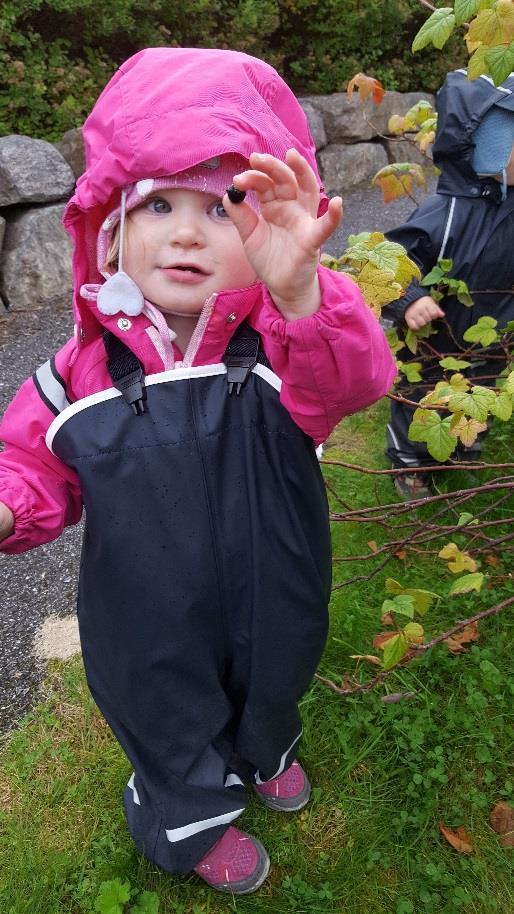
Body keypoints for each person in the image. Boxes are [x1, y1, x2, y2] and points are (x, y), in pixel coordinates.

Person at [0, 47, 395, 893]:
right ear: (110, 227)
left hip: (274, 579)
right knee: (164, 713)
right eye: (160, 206)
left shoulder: (287, 345)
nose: (185, 231)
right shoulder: (78, 372)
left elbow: (360, 382)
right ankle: (187, 818)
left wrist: (302, 296)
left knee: (277, 669)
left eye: (223, 208)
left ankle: (265, 749)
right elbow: (28, 463)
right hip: (143, 611)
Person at [382, 68, 514, 500]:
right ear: (489, 145)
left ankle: (462, 444)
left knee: (482, 390)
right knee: (420, 395)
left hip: (496, 335)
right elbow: (387, 266)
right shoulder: (444, 213)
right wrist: (409, 299)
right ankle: (409, 463)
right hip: (434, 336)